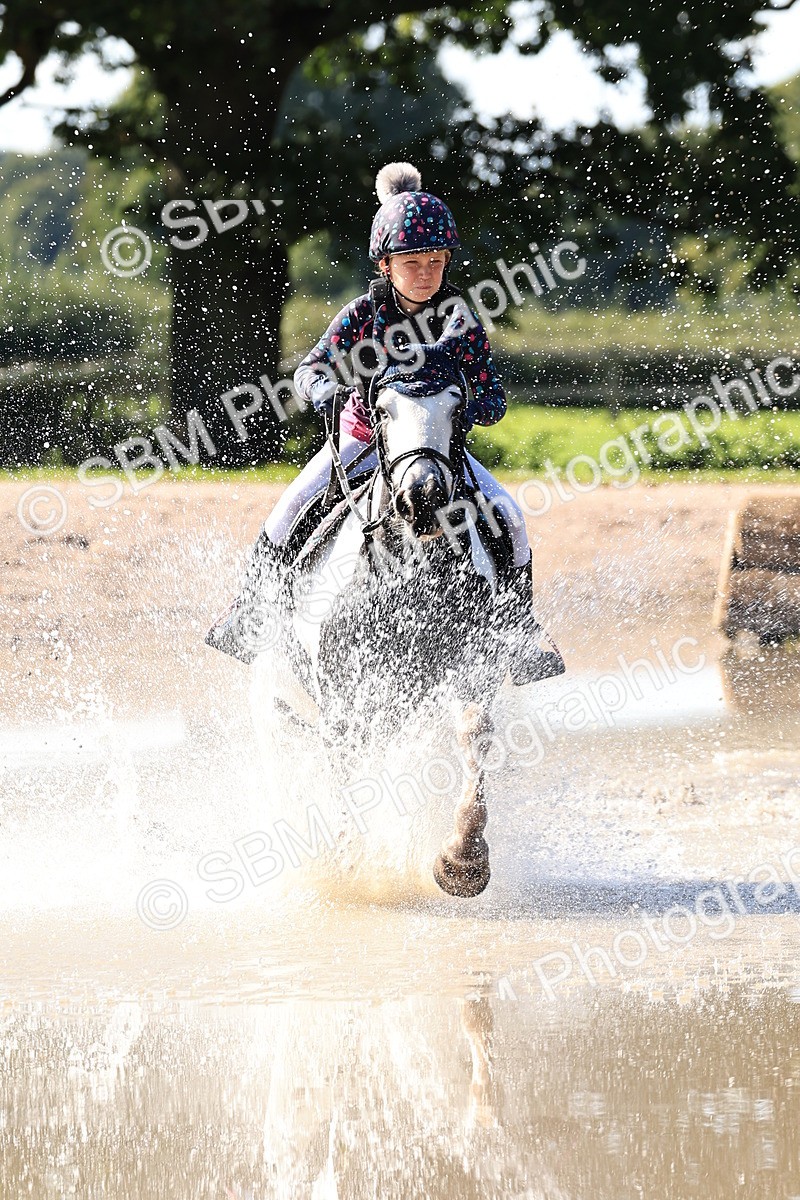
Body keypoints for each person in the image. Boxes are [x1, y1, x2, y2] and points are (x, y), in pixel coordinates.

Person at [206, 161, 561, 685]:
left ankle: (520, 635)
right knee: (290, 507)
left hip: (437, 447)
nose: (425, 273)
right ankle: (250, 611)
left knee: (509, 515)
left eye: (436, 261)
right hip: (363, 438)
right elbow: (310, 369)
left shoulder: (461, 320)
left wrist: (468, 407)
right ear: (386, 264)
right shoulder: (361, 315)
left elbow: (491, 396)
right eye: (412, 262)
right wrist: (325, 393)